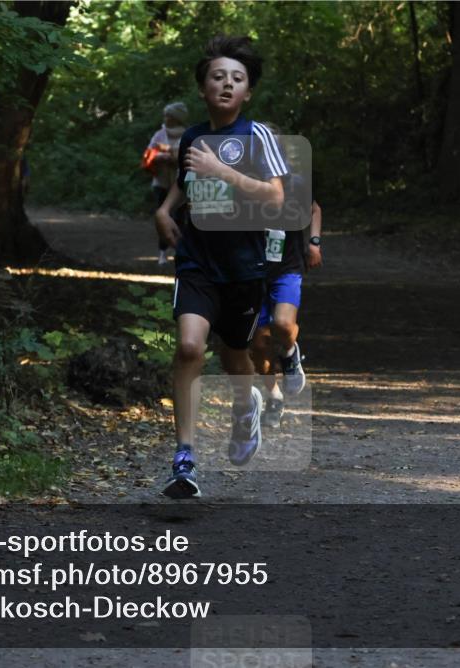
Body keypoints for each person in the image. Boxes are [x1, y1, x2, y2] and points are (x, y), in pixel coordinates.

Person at [154, 35, 287, 498]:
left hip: (245, 267)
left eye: (237, 78)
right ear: (204, 89)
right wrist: (164, 210)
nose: (227, 84)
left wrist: (222, 171)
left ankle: (246, 406)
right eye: (218, 77)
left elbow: (275, 196)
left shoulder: (258, 136)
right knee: (190, 348)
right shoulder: (192, 137)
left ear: (247, 92)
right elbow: (185, 184)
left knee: (236, 358)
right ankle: (184, 458)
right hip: (197, 262)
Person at [249, 125, 323, 428]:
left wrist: (314, 242)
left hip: (287, 267)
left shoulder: (295, 183)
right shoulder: (240, 184)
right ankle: (274, 397)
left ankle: (291, 353)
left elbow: (314, 209)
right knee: (259, 345)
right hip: (250, 274)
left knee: (282, 325)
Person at [146, 102, 188, 264]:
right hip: (161, 182)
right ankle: (162, 253)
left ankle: (180, 251)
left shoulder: (187, 135)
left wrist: (175, 158)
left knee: (180, 218)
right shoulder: (159, 134)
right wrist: (160, 157)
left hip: (180, 184)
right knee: (162, 217)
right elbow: (149, 153)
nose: (165, 118)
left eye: (168, 115)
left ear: (176, 118)